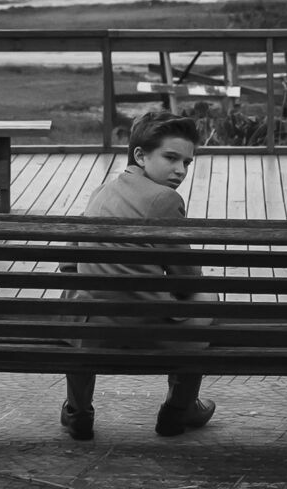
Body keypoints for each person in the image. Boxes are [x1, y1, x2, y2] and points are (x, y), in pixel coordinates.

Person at [60, 110, 216, 442]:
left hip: (89, 332)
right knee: (207, 298)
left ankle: (78, 411)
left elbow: (69, 262)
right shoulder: (164, 200)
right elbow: (187, 278)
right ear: (140, 155)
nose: (180, 171)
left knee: (79, 299)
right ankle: (179, 409)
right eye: (171, 158)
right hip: (143, 332)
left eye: (187, 163)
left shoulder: (101, 192)